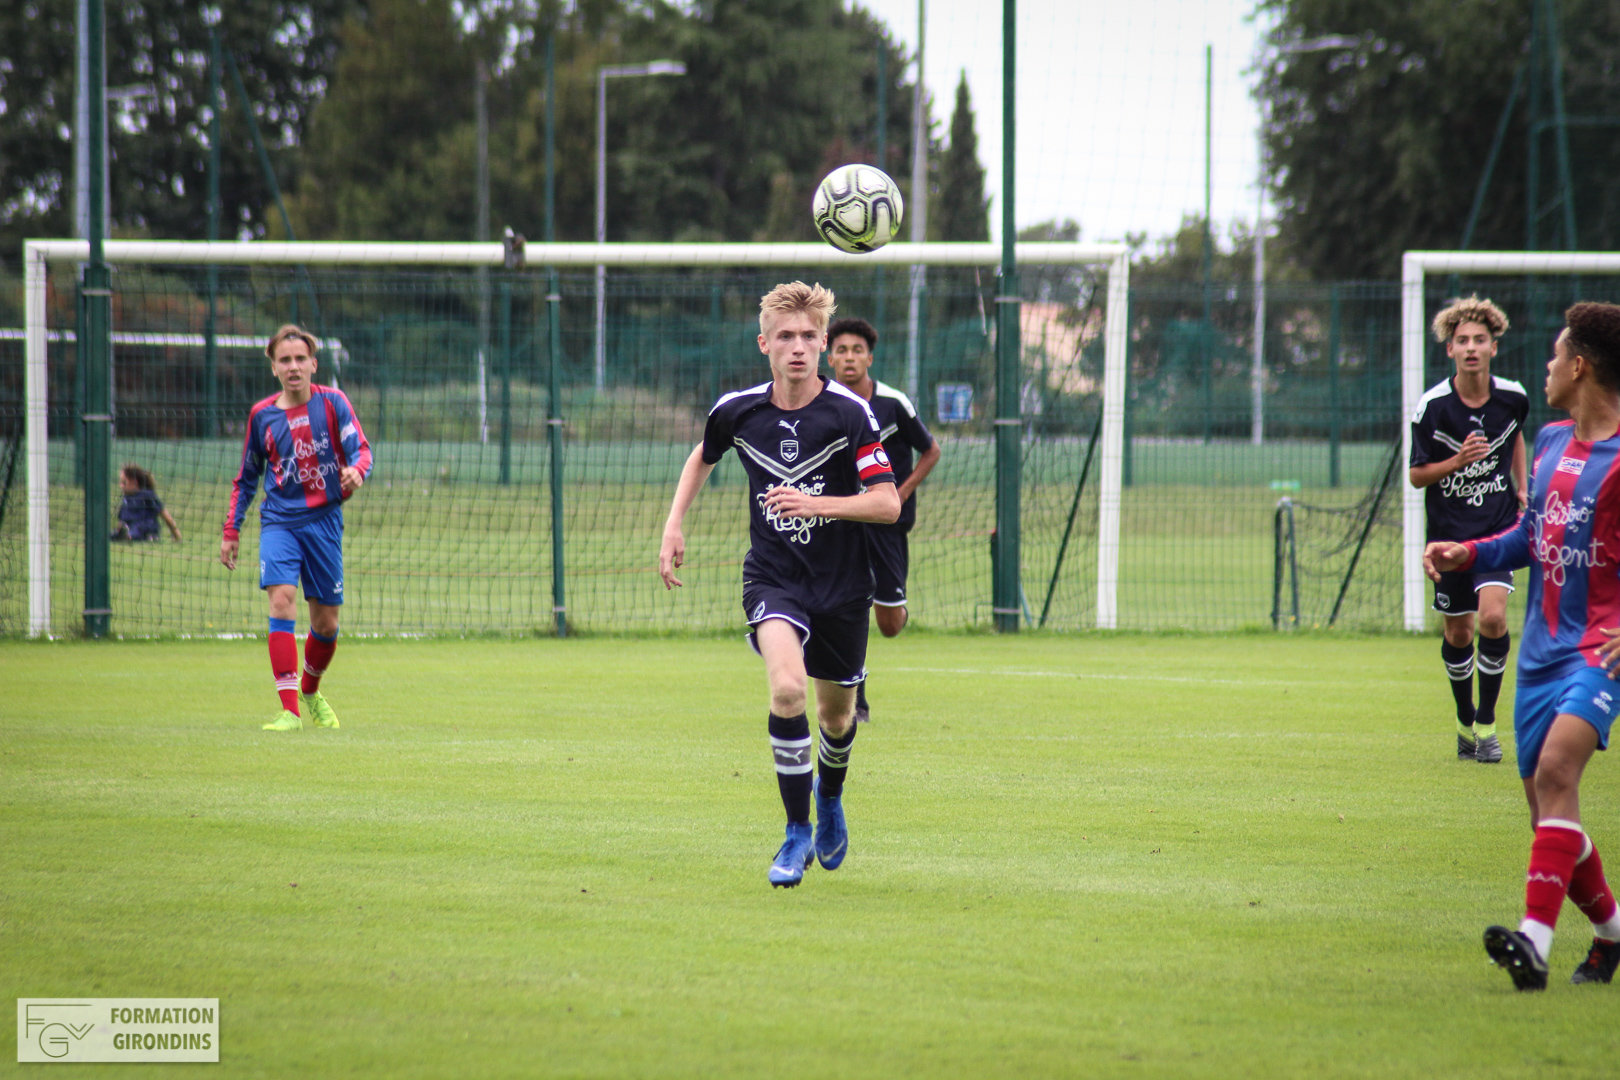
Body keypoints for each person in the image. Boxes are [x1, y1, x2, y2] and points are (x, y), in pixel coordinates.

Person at [659, 282, 900, 888]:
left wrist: (821, 507)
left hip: (843, 586)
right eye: (785, 337)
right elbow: (702, 456)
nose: (798, 348)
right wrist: (673, 525)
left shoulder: (851, 413)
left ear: (823, 344)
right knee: (788, 691)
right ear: (764, 344)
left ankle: (831, 798)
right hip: (773, 579)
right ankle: (795, 833)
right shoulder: (737, 410)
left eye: (809, 338)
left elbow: (887, 504)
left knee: (836, 719)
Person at [1425, 302, 1620, 991]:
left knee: (1559, 773)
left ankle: (1532, 943)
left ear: (1580, 366)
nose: (1544, 366)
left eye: (1555, 354)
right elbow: (1528, 540)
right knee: (1549, 813)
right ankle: (1612, 933)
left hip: (1600, 650)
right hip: (1539, 654)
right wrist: (1466, 552)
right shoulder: (1550, 444)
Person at [221, 324, 372, 732]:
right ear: (273, 367)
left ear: (313, 364)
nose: (293, 367)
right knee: (282, 600)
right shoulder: (263, 416)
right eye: (284, 360)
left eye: (300, 359)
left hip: (324, 522)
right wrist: (232, 531)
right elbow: (247, 477)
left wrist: (356, 472)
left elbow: (361, 449)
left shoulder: (333, 403)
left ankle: (310, 690)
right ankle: (289, 710)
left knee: (326, 625)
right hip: (280, 522)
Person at [1409, 296, 1528, 763]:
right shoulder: (1434, 407)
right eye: (1463, 340)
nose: (1472, 348)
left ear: (1494, 347)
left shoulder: (1513, 396)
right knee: (1458, 633)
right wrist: (1457, 461)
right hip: (1449, 536)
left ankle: (1487, 723)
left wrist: (1522, 487)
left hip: (1497, 530)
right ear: (1450, 350)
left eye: (1480, 340)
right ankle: (1463, 719)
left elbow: (1515, 433)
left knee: (1494, 619)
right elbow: (1417, 476)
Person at [826, 317, 941, 724]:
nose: (850, 357)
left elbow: (931, 450)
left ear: (870, 357)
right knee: (846, 605)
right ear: (830, 356)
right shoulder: (823, 403)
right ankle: (856, 697)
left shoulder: (893, 403)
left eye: (857, 350)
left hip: (886, 525)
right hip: (839, 522)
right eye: (841, 350)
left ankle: (890, 602)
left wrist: (901, 493)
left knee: (889, 623)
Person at [111, 464, 182, 542]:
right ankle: (123, 536)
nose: (121, 486)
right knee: (112, 535)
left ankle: (146, 537)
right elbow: (122, 520)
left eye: (124, 483)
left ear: (135, 482)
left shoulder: (147, 495)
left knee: (137, 530)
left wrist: (176, 535)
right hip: (131, 528)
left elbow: (165, 516)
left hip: (146, 529)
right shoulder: (126, 499)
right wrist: (119, 531)